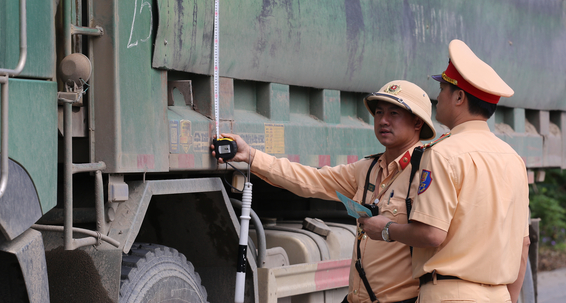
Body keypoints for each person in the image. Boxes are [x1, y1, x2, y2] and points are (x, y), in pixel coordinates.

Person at [213, 80, 437, 303]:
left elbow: (437, 237)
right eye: (379, 112)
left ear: (417, 123)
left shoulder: (427, 172)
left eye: (394, 113)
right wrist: (251, 156)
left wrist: (389, 229)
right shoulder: (367, 170)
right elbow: (311, 180)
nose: (383, 121)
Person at [360, 40, 530, 303]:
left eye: (442, 89)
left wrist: (386, 228)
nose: (438, 97)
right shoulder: (514, 159)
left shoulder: (442, 153)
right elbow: (523, 244)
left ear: (459, 97)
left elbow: (431, 234)